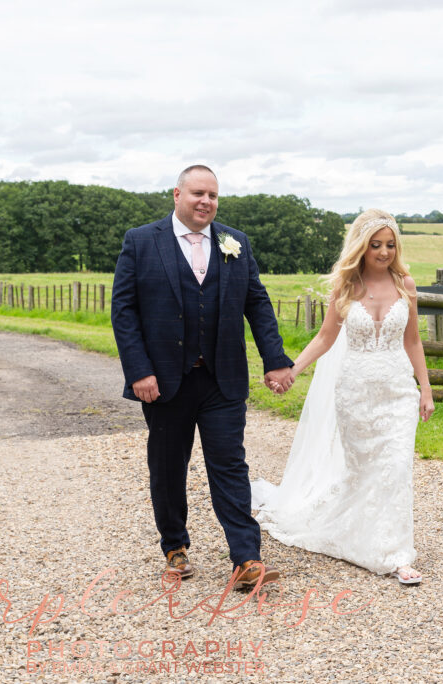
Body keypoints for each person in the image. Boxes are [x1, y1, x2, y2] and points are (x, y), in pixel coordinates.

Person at [111, 164, 295, 588]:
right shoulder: (141, 241)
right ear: (176, 194)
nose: (206, 202)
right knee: (168, 466)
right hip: (164, 382)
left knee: (230, 465)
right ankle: (174, 547)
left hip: (222, 379)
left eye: (212, 195)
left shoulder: (236, 243)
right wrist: (139, 371)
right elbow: (124, 313)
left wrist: (275, 358)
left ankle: (246, 559)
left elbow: (258, 303)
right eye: (197, 193)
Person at [252, 208, 434, 585]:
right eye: (375, 245)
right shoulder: (346, 288)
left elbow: (413, 340)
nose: (383, 252)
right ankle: (357, 533)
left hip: (398, 390)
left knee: (397, 469)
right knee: (365, 471)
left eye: (390, 244)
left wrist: (425, 390)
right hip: (355, 393)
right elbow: (325, 338)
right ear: (361, 247)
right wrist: (292, 370)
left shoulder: (406, 285)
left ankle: (396, 554)